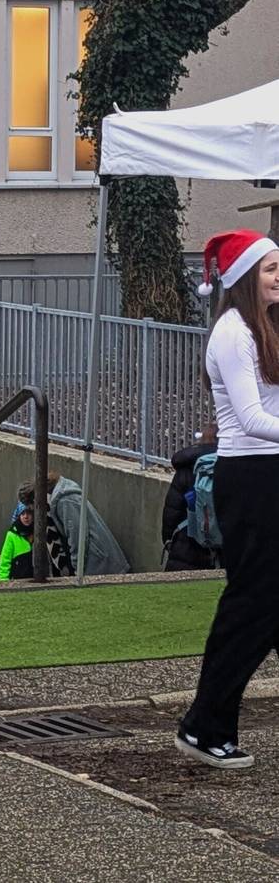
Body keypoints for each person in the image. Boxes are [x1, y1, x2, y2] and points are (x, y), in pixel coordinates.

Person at [176, 230, 279, 770]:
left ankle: (206, 723)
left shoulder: (266, 327)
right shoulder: (233, 332)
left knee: (267, 604)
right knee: (252, 605)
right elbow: (254, 421)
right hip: (253, 477)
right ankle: (203, 724)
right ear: (242, 278)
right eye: (269, 269)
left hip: (270, 472)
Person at [162, 424, 219, 571]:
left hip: (187, 545)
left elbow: (172, 509)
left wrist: (168, 539)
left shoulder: (186, 465)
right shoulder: (231, 464)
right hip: (224, 545)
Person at [0, 503, 34, 582]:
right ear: (18, 516)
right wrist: (3, 581)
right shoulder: (12, 535)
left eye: (29, 513)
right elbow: (5, 560)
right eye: (22, 513)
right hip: (17, 582)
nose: (26, 517)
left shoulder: (39, 533)